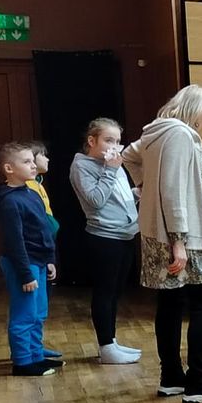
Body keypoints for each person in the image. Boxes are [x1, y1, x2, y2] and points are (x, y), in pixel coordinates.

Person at [121, 83, 202, 403]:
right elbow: (173, 191)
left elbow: (127, 156)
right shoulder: (180, 135)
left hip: (158, 233)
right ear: (195, 109)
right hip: (184, 235)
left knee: (170, 303)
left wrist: (145, 185)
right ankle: (198, 382)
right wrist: (179, 241)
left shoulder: (154, 132)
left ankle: (172, 376)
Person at [68, 117, 142, 364]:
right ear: (92, 141)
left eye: (118, 141)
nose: (115, 146)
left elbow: (116, 196)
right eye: (109, 140)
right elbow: (96, 200)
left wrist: (136, 193)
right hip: (104, 237)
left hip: (126, 234)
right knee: (104, 292)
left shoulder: (114, 164)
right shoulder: (82, 166)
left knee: (116, 292)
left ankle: (112, 341)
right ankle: (106, 345)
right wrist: (110, 170)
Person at [0, 142, 58, 376]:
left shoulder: (31, 193)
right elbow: (14, 241)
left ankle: (36, 356)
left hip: (39, 261)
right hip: (23, 264)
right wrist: (26, 274)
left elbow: (43, 229)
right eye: (27, 162)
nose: (33, 165)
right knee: (24, 313)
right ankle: (23, 362)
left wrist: (49, 259)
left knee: (38, 312)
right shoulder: (9, 201)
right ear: (9, 168)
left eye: (32, 160)